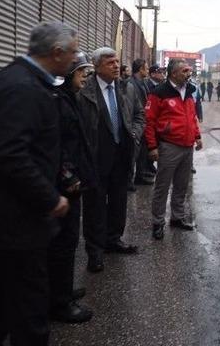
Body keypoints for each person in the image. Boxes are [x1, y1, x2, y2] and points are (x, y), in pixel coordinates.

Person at [0, 21, 76, 346]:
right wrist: (50, 199)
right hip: (14, 222)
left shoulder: (21, 80)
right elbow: (10, 155)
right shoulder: (23, 88)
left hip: (5, 220)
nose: (76, 59)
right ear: (57, 52)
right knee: (29, 310)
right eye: (73, 52)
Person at [79, 47, 144, 273]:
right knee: (95, 206)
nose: (116, 66)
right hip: (96, 157)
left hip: (122, 155)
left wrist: (135, 135)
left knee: (118, 201)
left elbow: (139, 114)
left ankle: (113, 239)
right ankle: (95, 251)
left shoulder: (127, 88)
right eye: (110, 63)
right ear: (96, 67)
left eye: (117, 61)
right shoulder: (85, 91)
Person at [48, 52, 95, 324]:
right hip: (66, 183)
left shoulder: (69, 99)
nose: (85, 79)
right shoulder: (59, 102)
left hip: (74, 179)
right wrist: (68, 177)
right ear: (68, 74)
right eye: (81, 74)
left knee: (68, 241)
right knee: (64, 243)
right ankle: (60, 302)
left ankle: (62, 290)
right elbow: (58, 145)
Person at [145, 58, 203, 240]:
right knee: (162, 186)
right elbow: (149, 121)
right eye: (185, 71)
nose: (188, 74)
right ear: (174, 73)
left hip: (187, 146)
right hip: (169, 146)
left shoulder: (190, 90)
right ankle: (158, 222)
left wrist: (197, 136)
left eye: (189, 71)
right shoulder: (159, 93)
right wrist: (152, 146)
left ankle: (177, 218)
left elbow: (192, 116)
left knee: (181, 185)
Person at [128, 59, 151, 189]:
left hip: (143, 122)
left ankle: (140, 176)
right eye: (146, 69)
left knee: (142, 151)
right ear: (140, 69)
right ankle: (128, 181)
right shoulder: (131, 84)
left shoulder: (143, 83)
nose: (147, 71)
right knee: (133, 153)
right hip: (136, 124)